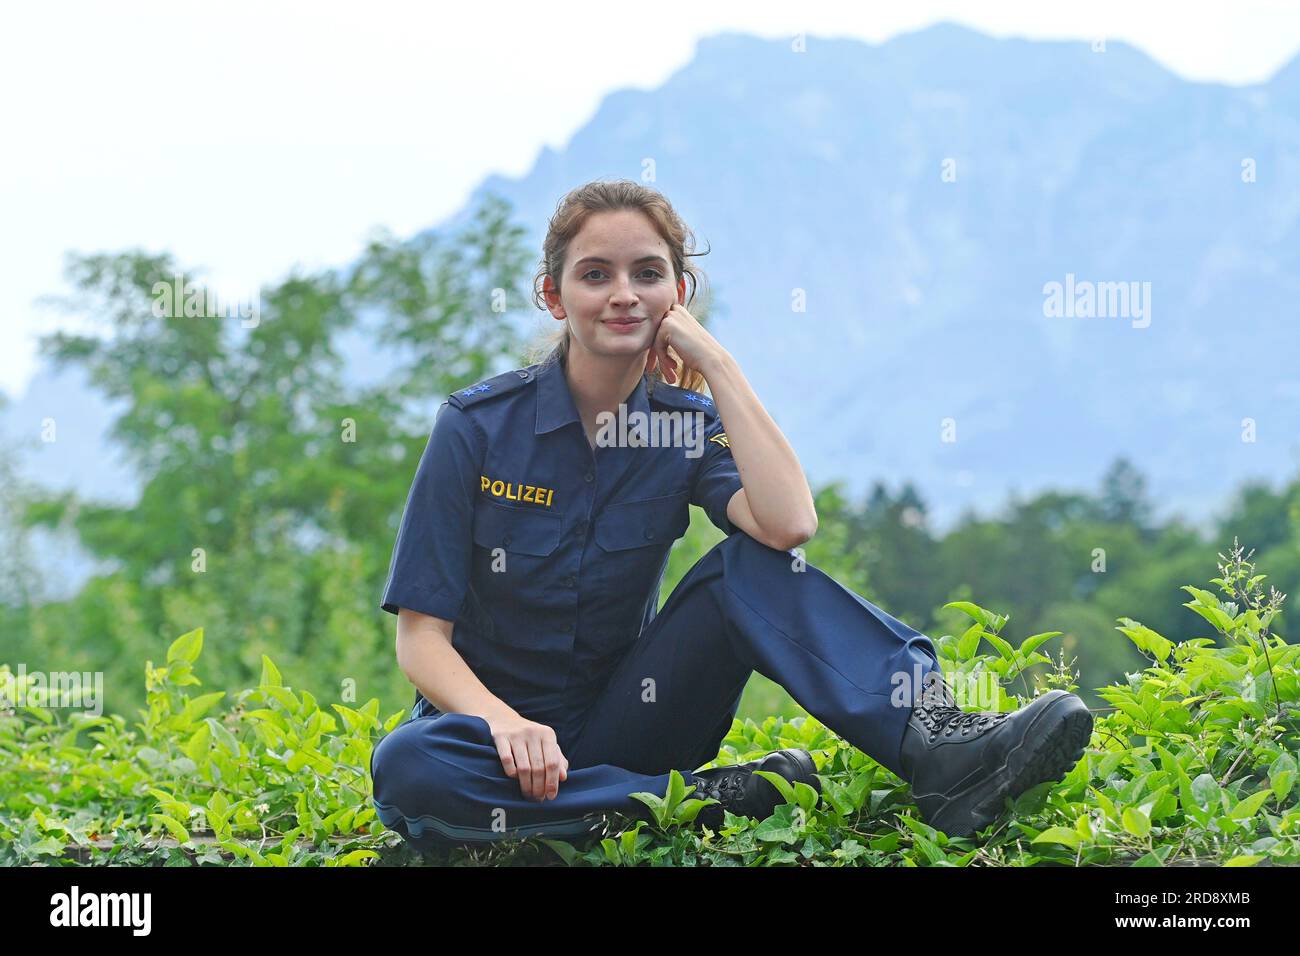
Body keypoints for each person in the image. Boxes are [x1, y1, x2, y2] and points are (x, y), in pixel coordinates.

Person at [368, 179, 1093, 850]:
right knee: (407, 766)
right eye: (596, 274)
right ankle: (707, 801)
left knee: (747, 565)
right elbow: (422, 639)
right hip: (490, 746)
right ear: (555, 297)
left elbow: (787, 525)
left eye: (647, 274)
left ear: (678, 294)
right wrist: (504, 722)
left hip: (631, 723)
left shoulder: (685, 425)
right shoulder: (477, 427)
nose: (623, 294)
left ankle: (941, 745)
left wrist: (718, 364)